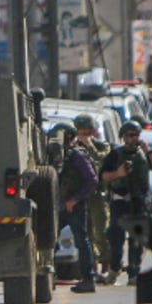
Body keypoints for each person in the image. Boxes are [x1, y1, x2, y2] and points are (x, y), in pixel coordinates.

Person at [101, 120, 152, 287]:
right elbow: (103, 176)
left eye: (137, 135)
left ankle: (134, 273)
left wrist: (149, 152)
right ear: (123, 136)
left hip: (138, 201)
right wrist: (118, 173)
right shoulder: (115, 154)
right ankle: (114, 270)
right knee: (116, 238)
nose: (134, 139)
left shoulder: (143, 154)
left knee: (137, 239)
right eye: (130, 135)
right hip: (119, 201)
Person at [54, 121, 100, 294]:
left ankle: (88, 279)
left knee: (81, 240)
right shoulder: (60, 155)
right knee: (51, 239)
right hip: (62, 205)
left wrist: (75, 200)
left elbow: (92, 181)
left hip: (75, 205)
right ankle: (50, 276)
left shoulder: (77, 155)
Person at [73, 113, 111, 280]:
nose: (83, 134)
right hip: (81, 194)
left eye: (86, 131)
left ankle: (106, 266)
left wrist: (90, 147)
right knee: (86, 233)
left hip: (97, 195)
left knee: (101, 230)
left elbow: (102, 163)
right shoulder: (74, 148)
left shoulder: (102, 146)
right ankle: (92, 267)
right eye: (80, 131)